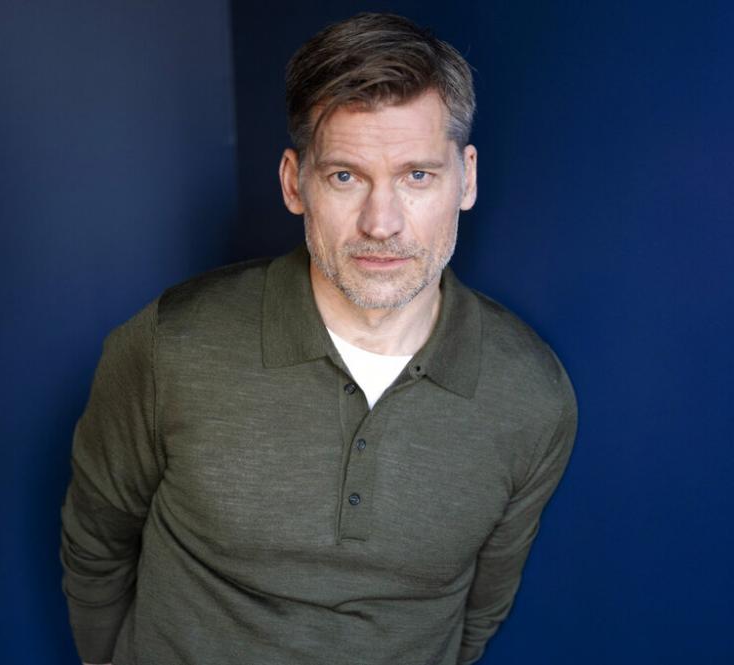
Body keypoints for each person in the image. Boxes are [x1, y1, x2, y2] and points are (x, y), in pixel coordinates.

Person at [61, 12, 576, 665]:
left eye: (417, 176)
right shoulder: (171, 346)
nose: (381, 223)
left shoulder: (531, 395)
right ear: (293, 182)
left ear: (466, 179)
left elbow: (481, 611)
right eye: (345, 176)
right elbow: (96, 548)